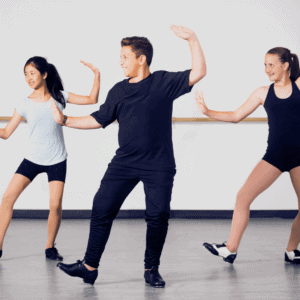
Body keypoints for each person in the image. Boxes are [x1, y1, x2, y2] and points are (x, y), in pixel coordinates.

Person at [52, 25, 206, 286]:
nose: (120, 62)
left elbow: (199, 72)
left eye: (125, 57)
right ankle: (89, 267)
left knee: (157, 217)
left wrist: (192, 38)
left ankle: (151, 269)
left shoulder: (163, 82)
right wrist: (65, 119)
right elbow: (98, 119)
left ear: (141, 58)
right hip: (124, 163)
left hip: (158, 165)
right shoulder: (118, 90)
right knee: (101, 207)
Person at [196, 47, 300, 264]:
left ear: (286, 65)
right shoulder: (262, 92)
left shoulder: (299, 86)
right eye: (265, 65)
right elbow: (236, 115)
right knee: (243, 197)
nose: (267, 69)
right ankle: (230, 249)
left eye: (271, 64)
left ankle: (292, 250)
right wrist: (208, 112)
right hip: (275, 156)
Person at [0, 56, 100, 261]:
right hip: (32, 159)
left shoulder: (59, 96)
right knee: (7, 199)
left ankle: (49, 247)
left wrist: (97, 75)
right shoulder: (24, 103)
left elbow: (92, 99)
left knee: (55, 205)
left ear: (44, 74)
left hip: (57, 159)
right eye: (26, 74)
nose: (28, 78)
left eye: (32, 73)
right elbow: (7, 132)